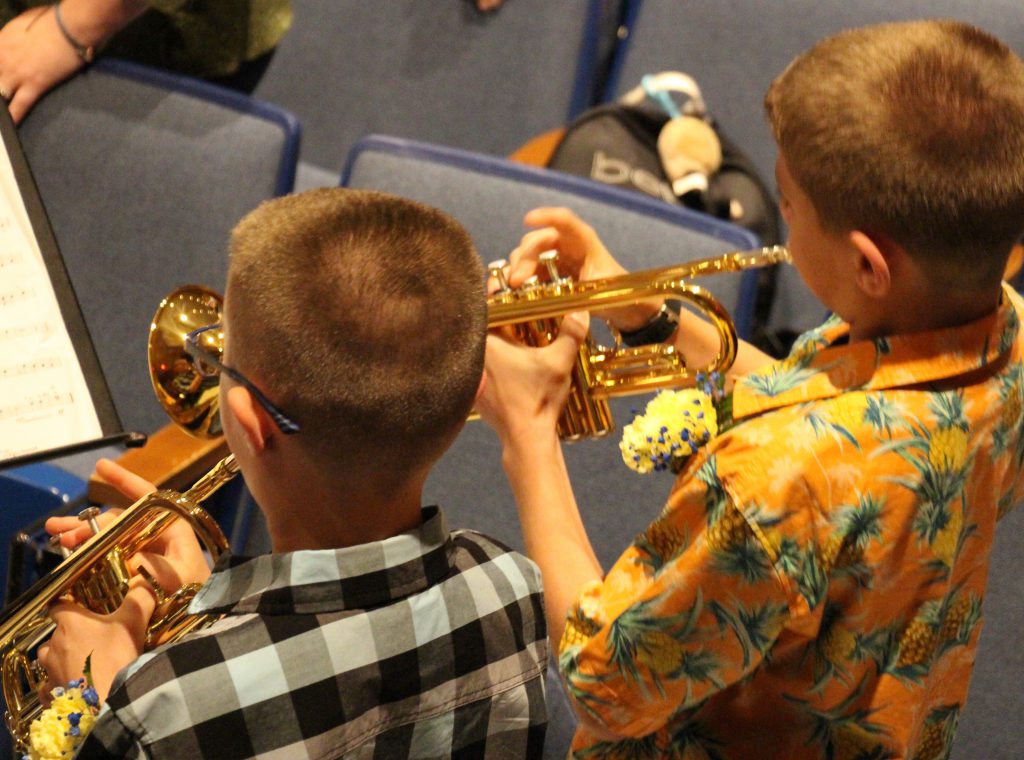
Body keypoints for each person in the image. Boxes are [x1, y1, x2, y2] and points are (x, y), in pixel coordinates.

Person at [477, 19, 1024, 759]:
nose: (782, 223)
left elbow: (599, 684)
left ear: (868, 267)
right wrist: (654, 316)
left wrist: (528, 430)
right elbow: (854, 415)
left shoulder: (776, 481)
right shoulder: (1003, 331)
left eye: (788, 204)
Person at [38, 188, 548, 758]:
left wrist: (92, 701)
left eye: (222, 359)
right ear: (472, 400)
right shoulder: (511, 586)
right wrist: (204, 603)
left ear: (249, 422)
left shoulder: (161, 713)